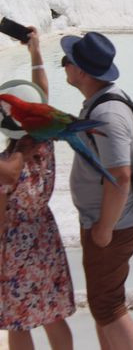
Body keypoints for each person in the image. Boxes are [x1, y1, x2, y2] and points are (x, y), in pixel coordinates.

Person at [60, 31, 133, 349]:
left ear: (81, 70)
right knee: (103, 305)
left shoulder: (106, 114)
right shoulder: (102, 103)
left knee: (109, 306)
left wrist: (105, 228)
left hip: (112, 224)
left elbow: (121, 175)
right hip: (108, 221)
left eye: (67, 61)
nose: (64, 66)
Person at [1, 28, 75, 350]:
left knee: (18, 320)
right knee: (52, 315)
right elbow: (42, 96)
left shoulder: (6, 165)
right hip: (44, 234)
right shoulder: (44, 143)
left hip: (14, 244)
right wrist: (35, 53)